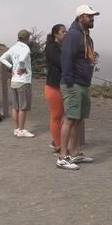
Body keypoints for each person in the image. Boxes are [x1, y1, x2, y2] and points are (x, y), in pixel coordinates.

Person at [57, 5, 100, 170]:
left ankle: (74, 153)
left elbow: (80, 57)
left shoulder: (86, 36)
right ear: (81, 17)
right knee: (70, 118)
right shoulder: (73, 35)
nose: (92, 19)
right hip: (73, 83)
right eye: (89, 16)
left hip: (82, 82)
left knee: (78, 119)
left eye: (93, 16)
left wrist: (90, 60)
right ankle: (62, 156)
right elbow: (66, 58)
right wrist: (68, 81)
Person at [0, 29, 35, 137]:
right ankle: (22, 129)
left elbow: (2, 58)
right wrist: (22, 67)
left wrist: (11, 68)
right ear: (27, 38)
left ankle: (16, 128)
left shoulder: (13, 47)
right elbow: (22, 59)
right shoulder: (26, 48)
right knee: (23, 107)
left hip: (14, 81)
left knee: (16, 107)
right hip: (23, 81)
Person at [44, 24, 67, 152]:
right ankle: (58, 146)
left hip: (60, 85)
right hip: (53, 86)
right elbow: (61, 62)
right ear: (55, 34)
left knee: (63, 116)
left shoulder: (61, 46)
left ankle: (56, 140)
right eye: (63, 32)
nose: (65, 34)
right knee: (57, 116)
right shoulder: (51, 48)